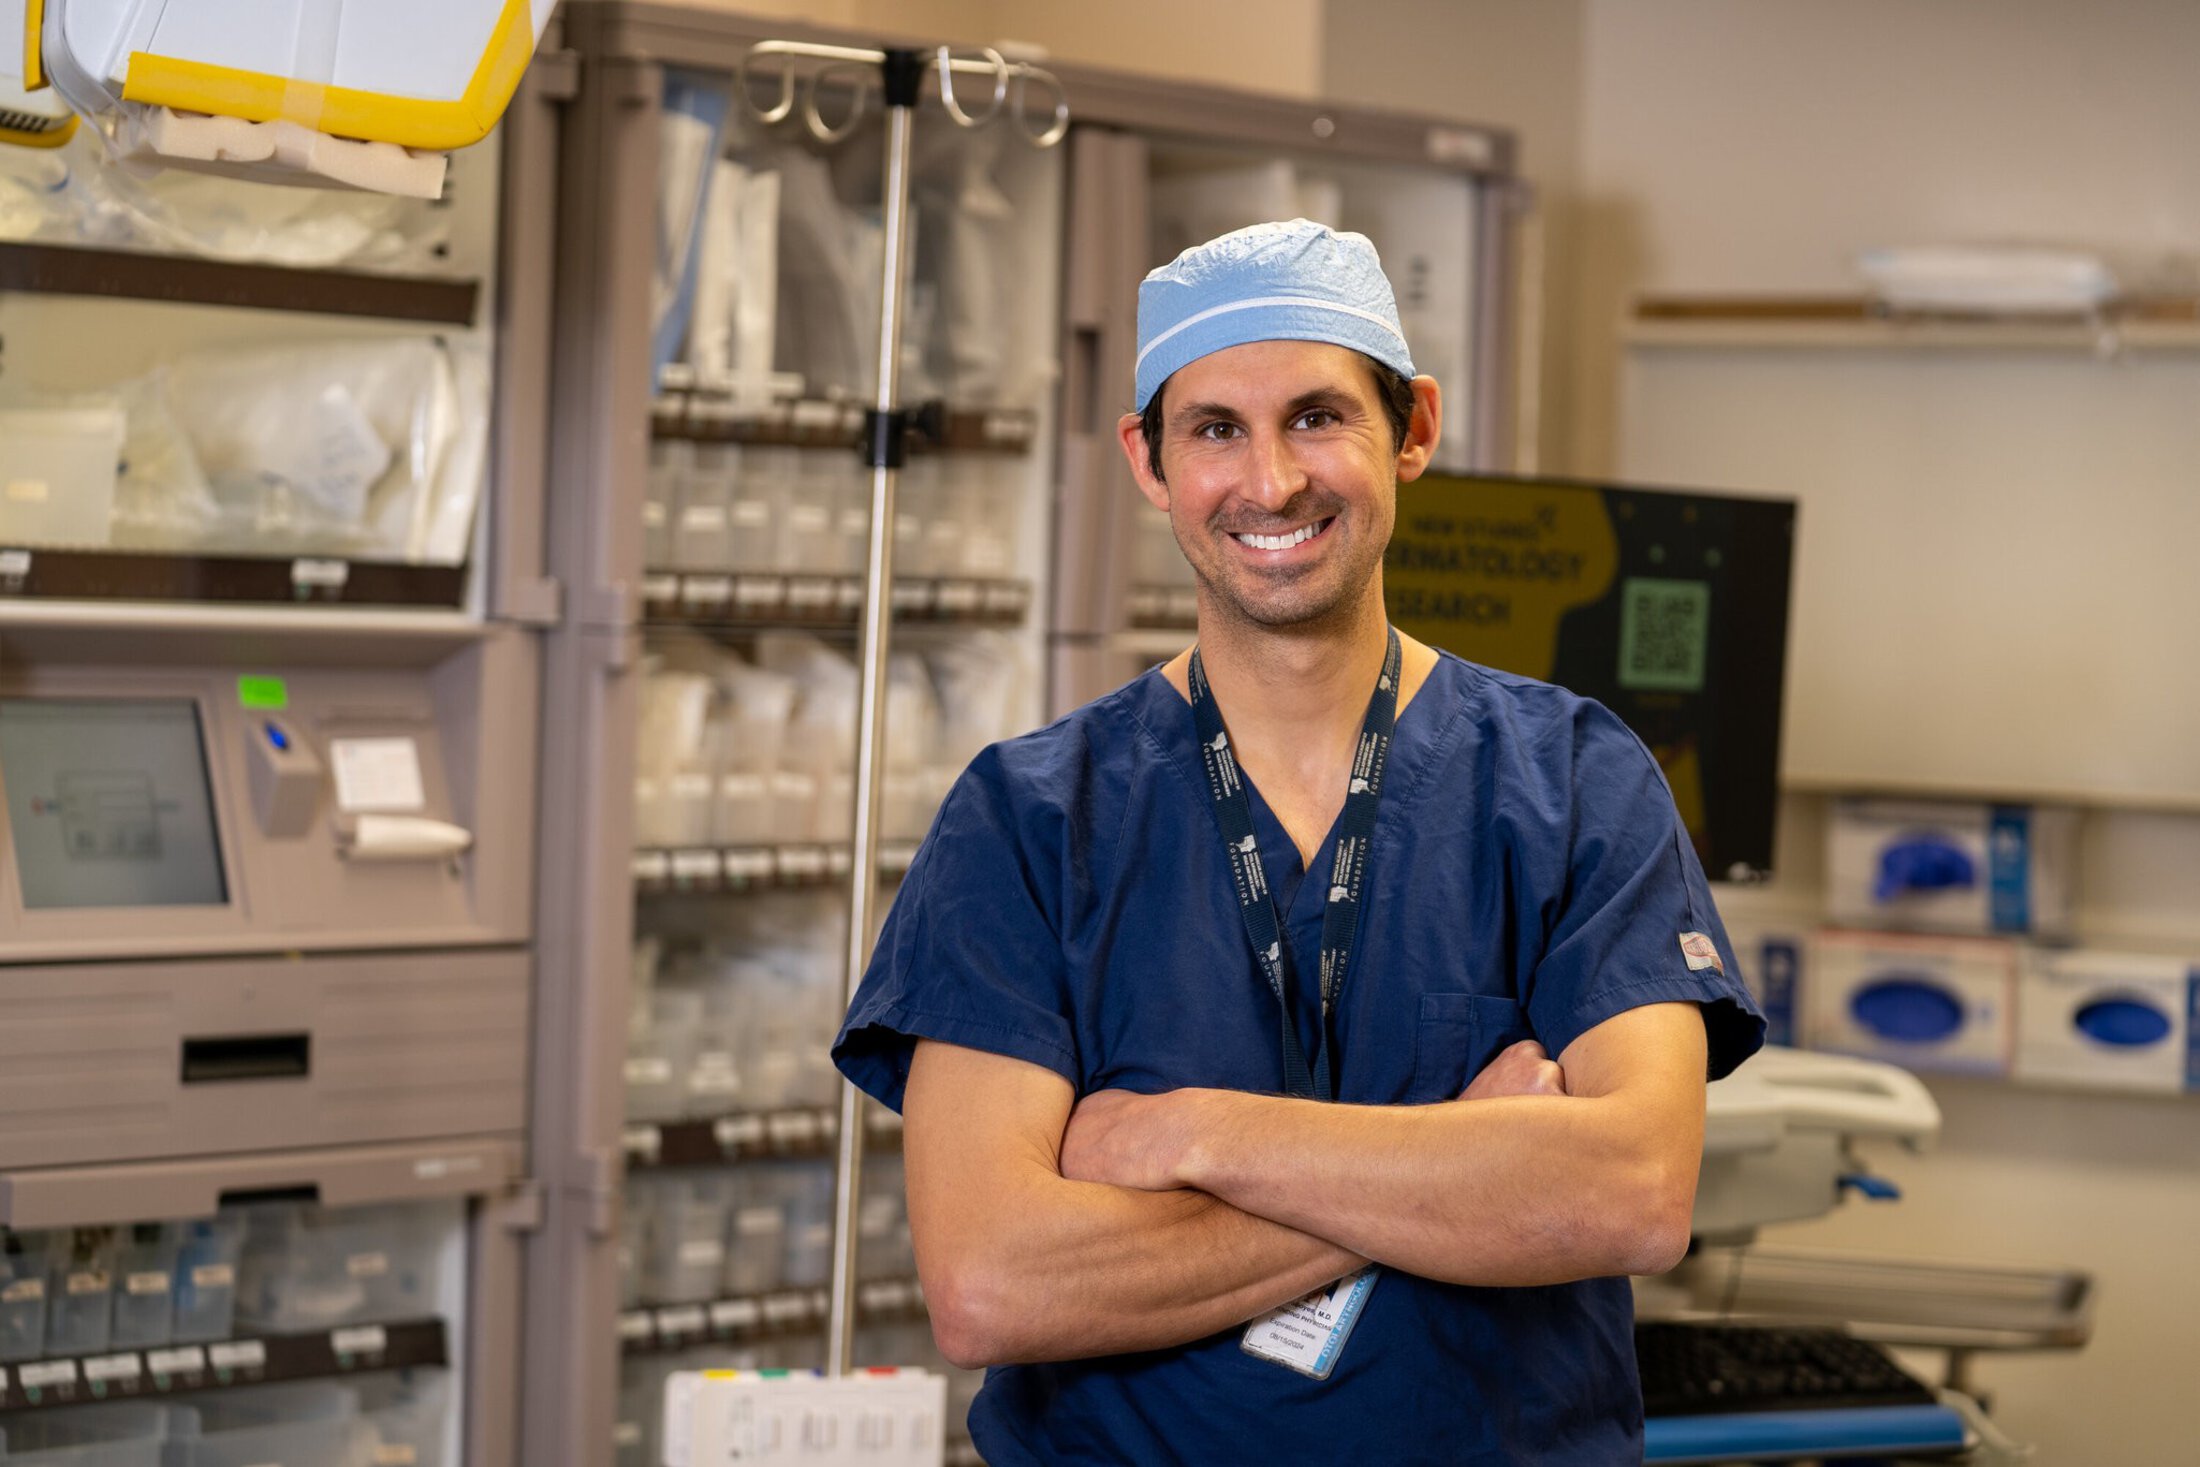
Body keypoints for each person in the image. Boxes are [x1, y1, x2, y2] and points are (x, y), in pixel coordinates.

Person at [834, 219, 1763, 1464]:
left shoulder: (1574, 782)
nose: (1270, 483)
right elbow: (995, 1284)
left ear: (1414, 429)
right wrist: (1465, 1157)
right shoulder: (1030, 820)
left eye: (1318, 418)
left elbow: (1632, 1195)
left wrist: (1191, 1136)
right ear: (1149, 462)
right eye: (1215, 428)